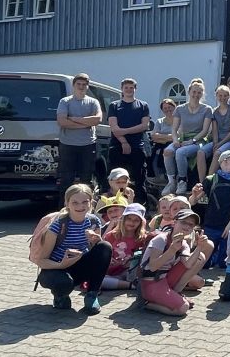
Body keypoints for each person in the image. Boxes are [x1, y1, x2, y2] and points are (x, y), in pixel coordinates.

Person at [33, 184, 112, 314]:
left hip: (79, 266)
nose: (80, 206)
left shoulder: (93, 222)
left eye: (84, 202)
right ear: (67, 203)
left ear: (91, 202)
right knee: (64, 283)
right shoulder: (58, 225)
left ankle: (92, 295)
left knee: (104, 247)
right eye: (75, 202)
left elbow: (97, 256)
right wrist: (61, 264)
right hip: (56, 269)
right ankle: (60, 295)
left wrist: (96, 241)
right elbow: (42, 260)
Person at [140, 207, 214, 316]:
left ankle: (175, 293)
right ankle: (147, 304)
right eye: (183, 222)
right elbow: (153, 266)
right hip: (151, 281)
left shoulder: (183, 243)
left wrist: (199, 247)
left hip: (165, 279)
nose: (187, 226)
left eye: (191, 225)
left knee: (200, 257)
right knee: (182, 308)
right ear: (174, 222)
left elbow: (188, 264)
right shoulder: (161, 239)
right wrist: (172, 250)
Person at [191, 150, 230, 268]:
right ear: (225, 162)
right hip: (210, 225)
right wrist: (194, 194)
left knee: (224, 263)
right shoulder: (210, 180)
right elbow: (192, 202)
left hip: (228, 227)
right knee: (203, 262)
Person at [162, 79, 214, 195]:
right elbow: (174, 129)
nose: (196, 95)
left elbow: (205, 131)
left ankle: (182, 180)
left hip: (198, 140)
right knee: (168, 151)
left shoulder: (206, 109)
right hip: (182, 138)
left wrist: (192, 140)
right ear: (189, 92)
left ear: (202, 94)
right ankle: (171, 182)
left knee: (181, 152)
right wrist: (175, 140)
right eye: (194, 92)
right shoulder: (180, 109)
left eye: (199, 93)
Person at [55, 73, 103, 199]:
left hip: (88, 145)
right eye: (79, 84)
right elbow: (62, 122)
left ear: (87, 86)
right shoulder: (65, 101)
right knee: (66, 180)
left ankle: (86, 209)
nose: (81, 87)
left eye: (84, 84)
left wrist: (74, 119)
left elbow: (97, 120)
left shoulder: (93, 102)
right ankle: (64, 210)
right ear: (74, 85)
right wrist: (85, 123)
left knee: (86, 180)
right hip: (68, 145)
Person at [106, 78, 151, 204]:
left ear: (135, 89)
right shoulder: (114, 106)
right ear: (122, 89)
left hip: (137, 146)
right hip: (117, 146)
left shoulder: (143, 105)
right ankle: (116, 204)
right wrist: (124, 142)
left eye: (131, 87)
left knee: (139, 178)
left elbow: (144, 126)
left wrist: (124, 131)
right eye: (126, 87)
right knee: (116, 178)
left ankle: (140, 205)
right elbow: (114, 128)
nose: (129, 90)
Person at [101, 203, 148, 290]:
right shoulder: (111, 235)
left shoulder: (142, 238)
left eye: (136, 220)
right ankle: (130, 285)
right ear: (123, 219)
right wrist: (108, 259)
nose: (131, 222)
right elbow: (102, 252)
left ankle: (127, 283)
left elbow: (145, 256)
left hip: (129, 271)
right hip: (111, 271)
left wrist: (133, 261)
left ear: (141, 222)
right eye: (129, 219)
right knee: (97, 280)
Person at [207, 85, 230, 176]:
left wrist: (219, 144)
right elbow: (215, 130)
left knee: (218, 153)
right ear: (217, 96)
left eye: (225, 95)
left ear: (229, 96)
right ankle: (201, 181)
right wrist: (215, 143)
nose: (223, 98)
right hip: (218, 140)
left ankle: (208, 180)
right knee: (201, 152)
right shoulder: (214, 112)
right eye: (220, 95)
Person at [148, 98, 177, 180]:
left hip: (174, 145)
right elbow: (154, 136)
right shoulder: (159, 121)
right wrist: (170, 137)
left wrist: (162, 137)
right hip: (159, 145)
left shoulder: (178, 120)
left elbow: (178, 135)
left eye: (169, 107)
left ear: (174, 107)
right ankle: (156, 177)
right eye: (165, 108)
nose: (167, 109)